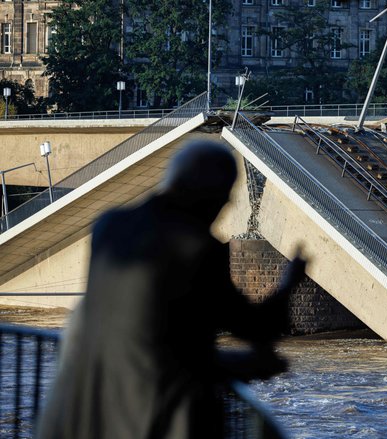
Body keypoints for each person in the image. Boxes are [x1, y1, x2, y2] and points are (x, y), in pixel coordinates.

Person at [36, 140, 305, 438]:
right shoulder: (197, 248)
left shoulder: (109, 227)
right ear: (209, 196)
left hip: (86, 413)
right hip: (158, 419)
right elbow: (253, 328)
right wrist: (288, 284)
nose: (222, 209)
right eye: (223, 200)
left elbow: (148, 345)